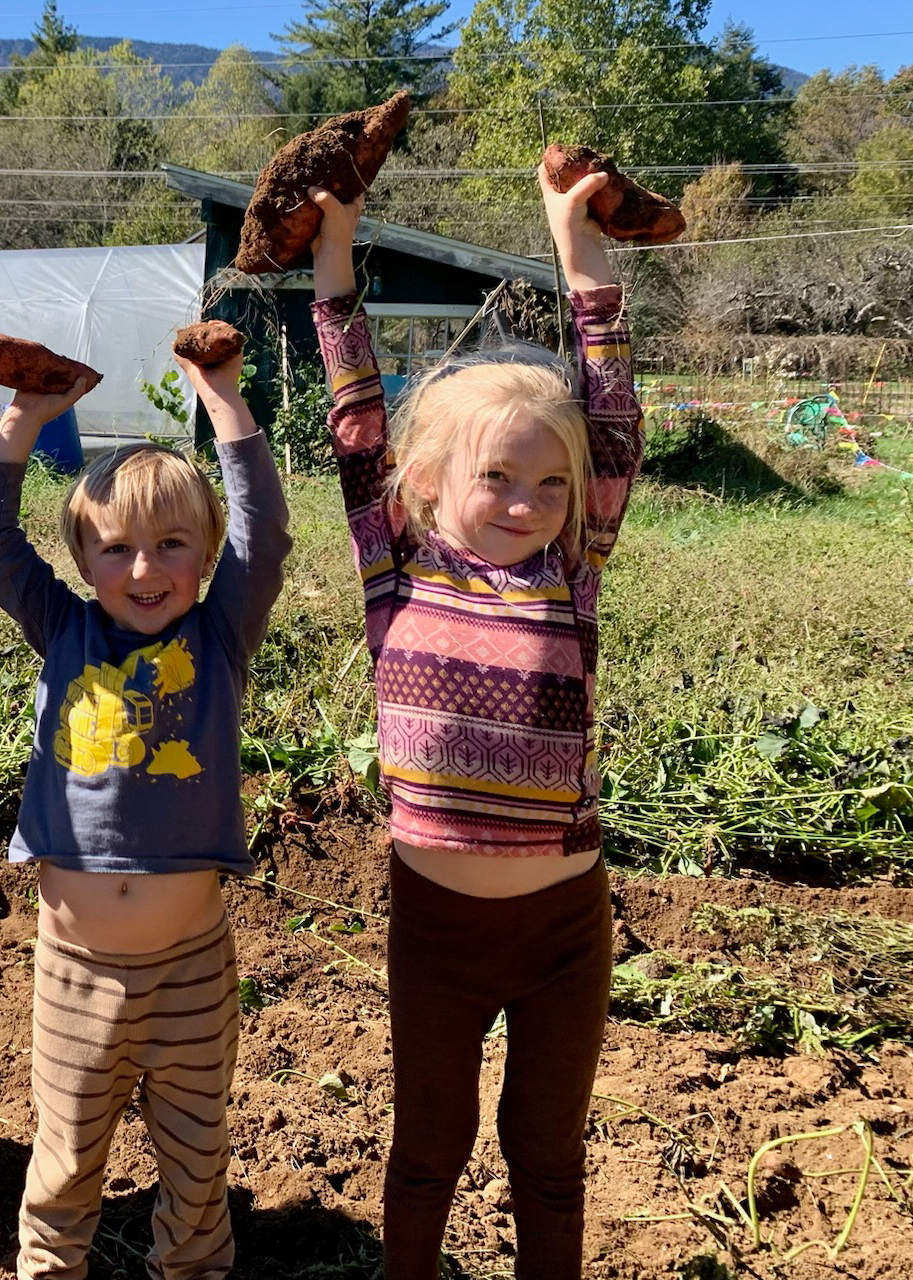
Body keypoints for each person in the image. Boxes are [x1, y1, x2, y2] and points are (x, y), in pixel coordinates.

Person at [307, 164, 643, 1279]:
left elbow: (612, 416)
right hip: (434, 931)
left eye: (550, 485)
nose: (525, 503)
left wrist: (576, 247)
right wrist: (335, 254)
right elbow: (352, 414)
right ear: (423, 479)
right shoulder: (392, 569)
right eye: (497, 476)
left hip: (560, 930)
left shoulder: (569, 573)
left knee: (545, 1157)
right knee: (426, 1153)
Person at [0, 340, 291, 1280]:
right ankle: (49, 1270)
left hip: (191, 969)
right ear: (83, 558)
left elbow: (263, 534)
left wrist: (225, 402)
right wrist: (24, 419)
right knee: (66, 1156)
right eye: (116, 548)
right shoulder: (63, 625)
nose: (144, 568)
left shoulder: (219, 630)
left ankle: (190, 1269)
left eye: (172, 544)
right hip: (73, 971)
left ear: (201, 552)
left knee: (196, 1161)